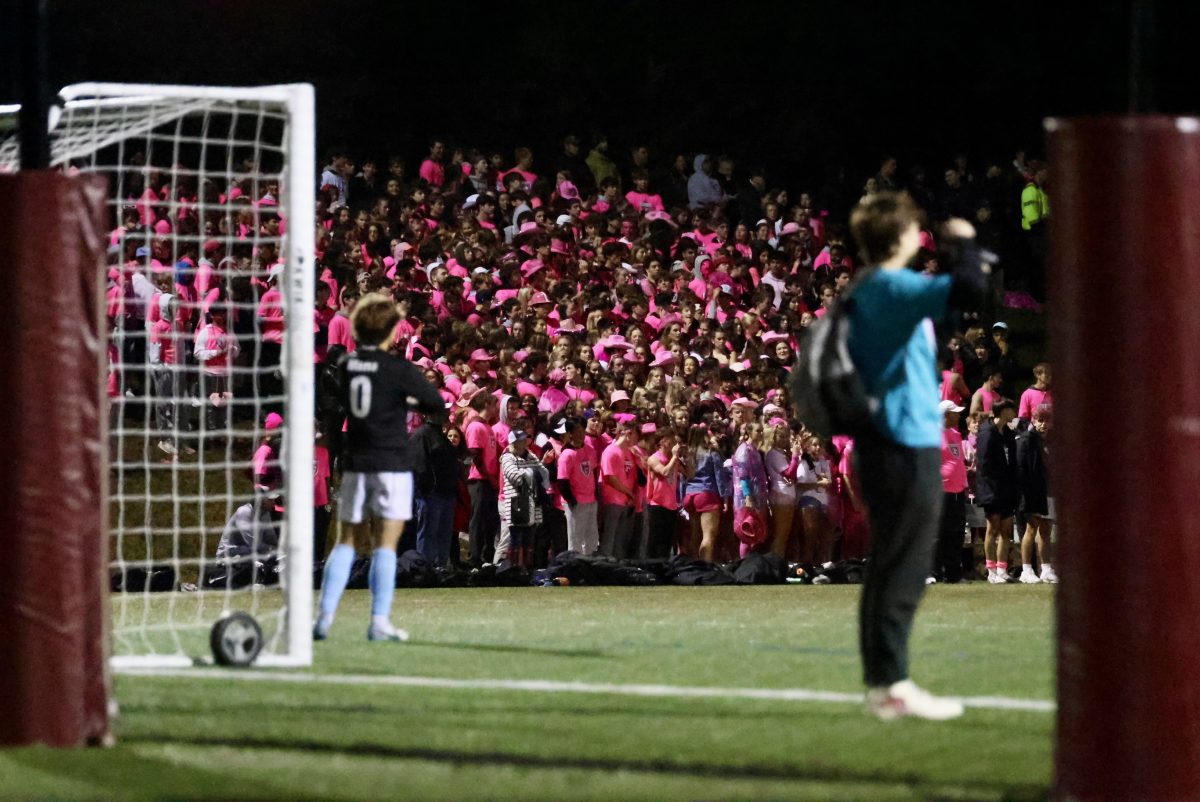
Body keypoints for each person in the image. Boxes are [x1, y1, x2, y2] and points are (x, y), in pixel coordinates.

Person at [844, 191, 986, 721]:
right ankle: (891, 681)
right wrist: (967, 244)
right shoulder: (892, 285)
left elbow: (948, 307)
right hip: (904, 442)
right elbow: (970, 287)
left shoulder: (875, 289)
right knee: (904, 565)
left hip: (887, 441)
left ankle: (885, 682)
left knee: (891, 563)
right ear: (899, 235)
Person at [313, 293, 445, 642]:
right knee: (385, 545)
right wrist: (404, 398)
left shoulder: (347, 364)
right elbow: (434, 401)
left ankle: (324, 618)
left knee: (345, 543)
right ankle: (379, 621)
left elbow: (334, 393)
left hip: (357, 462)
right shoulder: (397, 368)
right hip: (389, 461)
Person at [976, 399, 1020, 584]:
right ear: (1002, 411)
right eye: (1011, 410)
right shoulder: (987, 432)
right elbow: (984, 464)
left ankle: (1002, 569)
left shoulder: (1008, 434)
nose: (1014, 413)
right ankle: (991, 570)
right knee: (992, 528)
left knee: (1006, 530)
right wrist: (990, 489)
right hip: (991, 488)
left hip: (1007, 487)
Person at [1016, 409, 1057, 584]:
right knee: (1031, 529)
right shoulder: (1026, 439)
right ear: (1033, 420)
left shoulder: (1051, 440)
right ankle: (1026, 569)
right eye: (1040, 420)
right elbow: (1021, 468)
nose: (1043, 424)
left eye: (1046, 420)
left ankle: (1046, 569)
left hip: (1049, 491)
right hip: (1033, 492)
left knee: (1046, 530)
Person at [498, 429, 550, 565]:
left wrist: (532, 474)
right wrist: (531, 473)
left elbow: (543, 472)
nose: (524, 442)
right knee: (516, 539)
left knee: (529, 539)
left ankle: (526, 568)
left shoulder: (530, 455)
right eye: (520, 440)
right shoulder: (507, 457)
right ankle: (513, 567)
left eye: (524, 439)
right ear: (513, 442)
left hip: (532, 502)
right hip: (516, 504)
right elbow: (515, 477)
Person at [935, 400, 969, 584]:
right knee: (938, 533)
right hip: (940, 492)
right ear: (946, 415)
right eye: (955, 412)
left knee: (956, 534)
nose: (959, 415)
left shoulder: (956, 434)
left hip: (958, 492)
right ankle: (933, 573)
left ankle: (954, 574)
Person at [557, 418, 599, 555]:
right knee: (576, 538)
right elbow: (562, 481)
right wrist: (571, 499)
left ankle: (590, 564)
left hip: (591, 500)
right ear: (570, 434)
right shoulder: (566, 455)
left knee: (591, 537)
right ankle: (574, 565)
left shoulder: (590, 450)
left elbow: (593, 472)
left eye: (583, 430)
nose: (581, 434)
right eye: (577, 431)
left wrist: (596, 494)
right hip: (576, 502)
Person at [599, 420, 640, 558]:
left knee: (621, 539)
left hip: (625, 501)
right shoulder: (610, 451)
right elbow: (610, 477)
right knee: (609, 537)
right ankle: (606, 565)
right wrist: (629, 493)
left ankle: (618, 567)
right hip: (613, 500)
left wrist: (631, 495)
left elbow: (632, 477)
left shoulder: (629, 453)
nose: (637, 440)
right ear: (629, 433)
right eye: (636, 435)